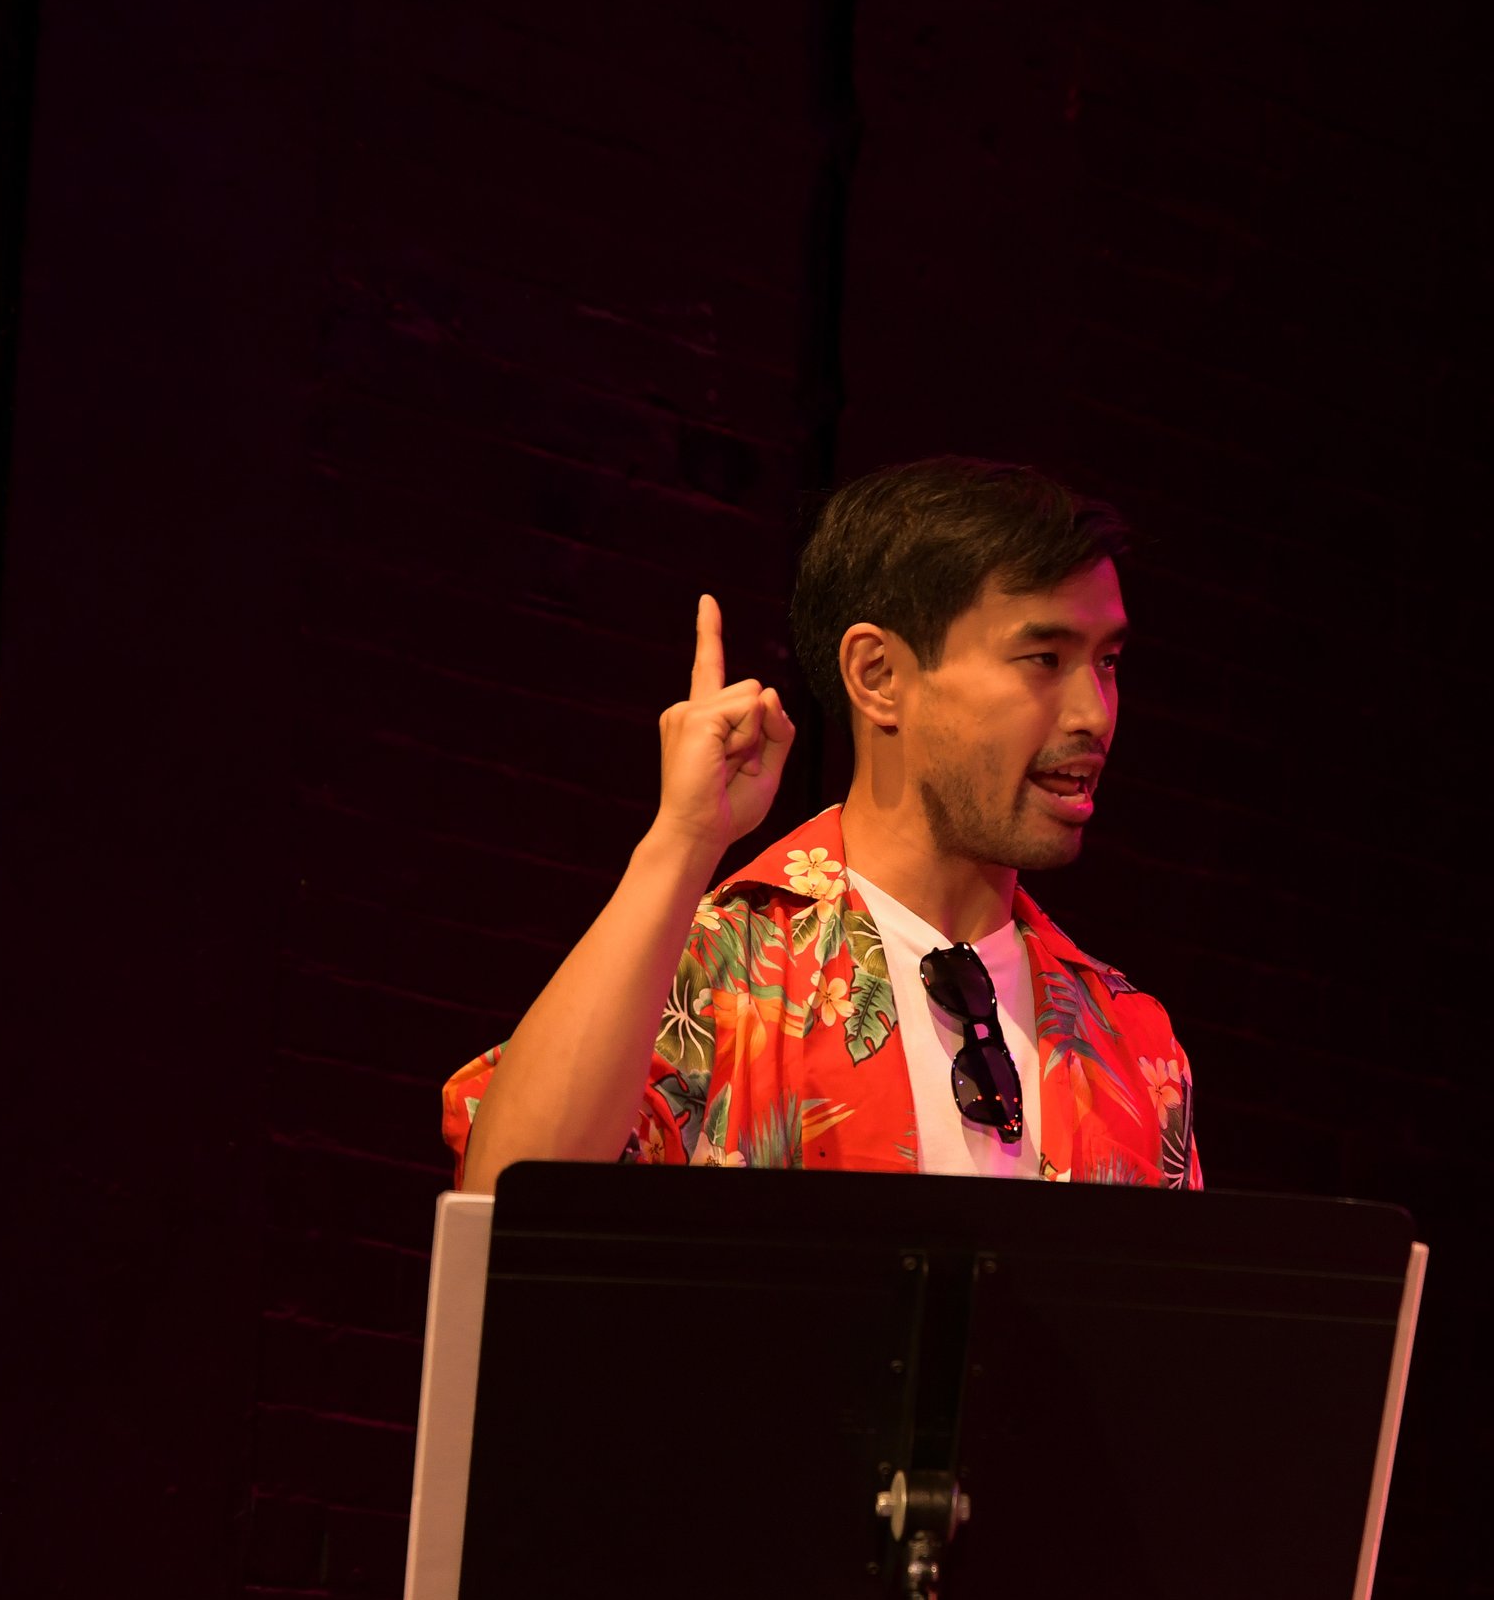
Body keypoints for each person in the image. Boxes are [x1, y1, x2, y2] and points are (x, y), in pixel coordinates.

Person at [443, 457, 1200, 1191]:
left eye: (1107, 663)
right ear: (879, 677)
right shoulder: (725, 963)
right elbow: (507, 1201)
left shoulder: (1130, 1040)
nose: (1094, 714)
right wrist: (681, 842)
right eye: (1043, 658)